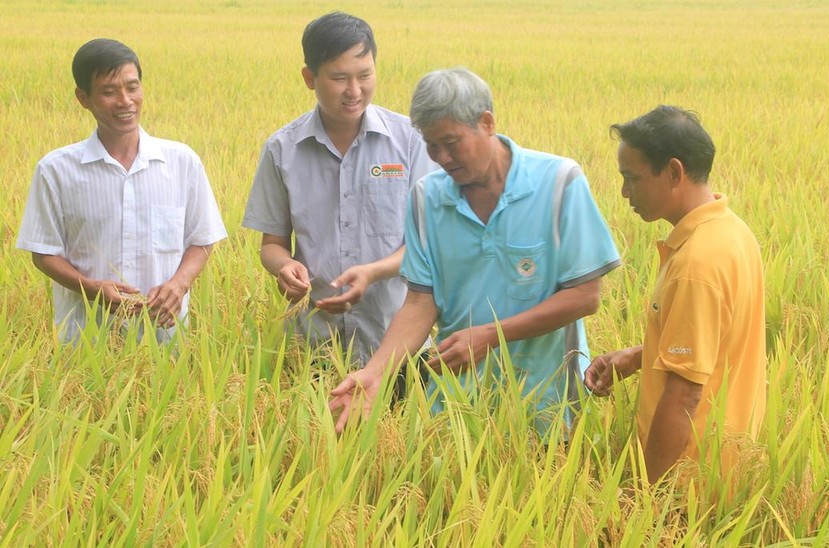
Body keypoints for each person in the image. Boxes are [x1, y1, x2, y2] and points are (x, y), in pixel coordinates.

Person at [329, 67, 621, 434]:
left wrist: (489, 335)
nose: (441, 157)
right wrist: (375, 372)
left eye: (451, 143)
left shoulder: (560, 182)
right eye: (431, 145)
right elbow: (421, 302)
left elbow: (584, 296)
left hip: (548, 404)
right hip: (455, 407)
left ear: (486, 123)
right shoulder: (427, 197)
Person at [584, 106, 766, 484]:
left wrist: (645, 497)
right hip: (724, 458)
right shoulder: (732, 231)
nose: (623, 193)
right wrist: (638, 357)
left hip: (688, 477)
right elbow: (713, 344)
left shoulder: (697, 264)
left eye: (631, 178)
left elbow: (684, 396)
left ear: (673, 172)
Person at [242, 12, 437, 364]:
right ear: (309, 78)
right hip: (314, 345)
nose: (355, 91)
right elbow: (271, 245)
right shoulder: (282, 150)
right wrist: (283, 267)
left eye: (365, 75)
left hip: (397, 343)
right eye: (339, 78)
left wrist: (373, 272)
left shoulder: (410, 141)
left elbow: (425, 245)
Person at [16, 38, 227, 344]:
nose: (125, 101)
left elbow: (202, 240)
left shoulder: (182, 162)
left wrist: (179, 284)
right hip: (85, 339)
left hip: (166, 340)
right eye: (108, 91)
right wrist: (90, 288)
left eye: (132, 87)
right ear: (83, 98)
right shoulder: (56, 170)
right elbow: (44, 253)